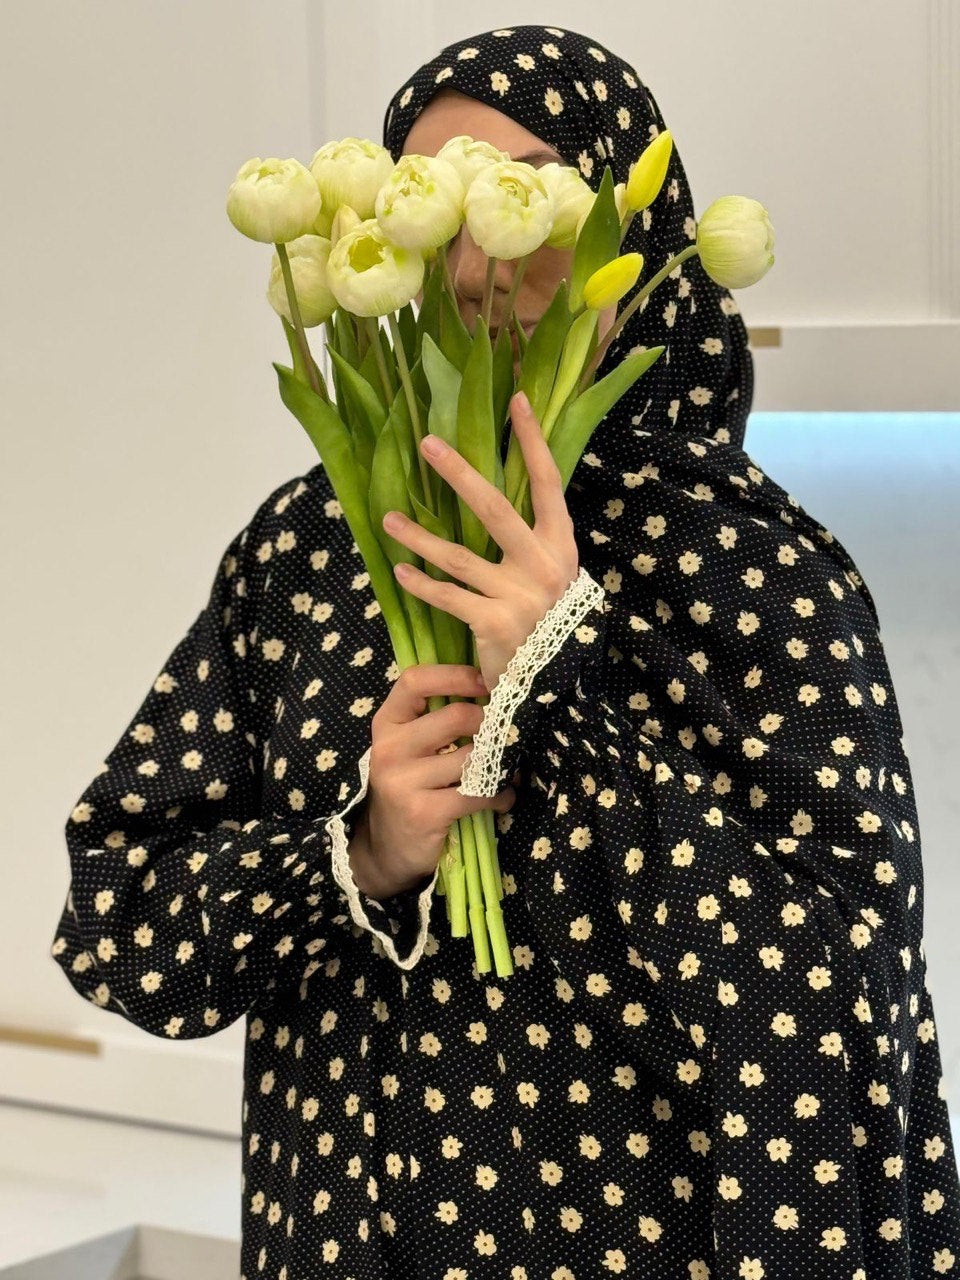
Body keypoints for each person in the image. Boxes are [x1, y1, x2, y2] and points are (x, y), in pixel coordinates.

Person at [49, 23, 960, 1279]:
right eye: (441, 201)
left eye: (535, 193)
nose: (481, 255)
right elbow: (118, 923)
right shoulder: (316, 550)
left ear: (636, 229)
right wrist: (358, 855)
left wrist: (560, 681)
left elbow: (837, 1014)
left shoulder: (754, 572)